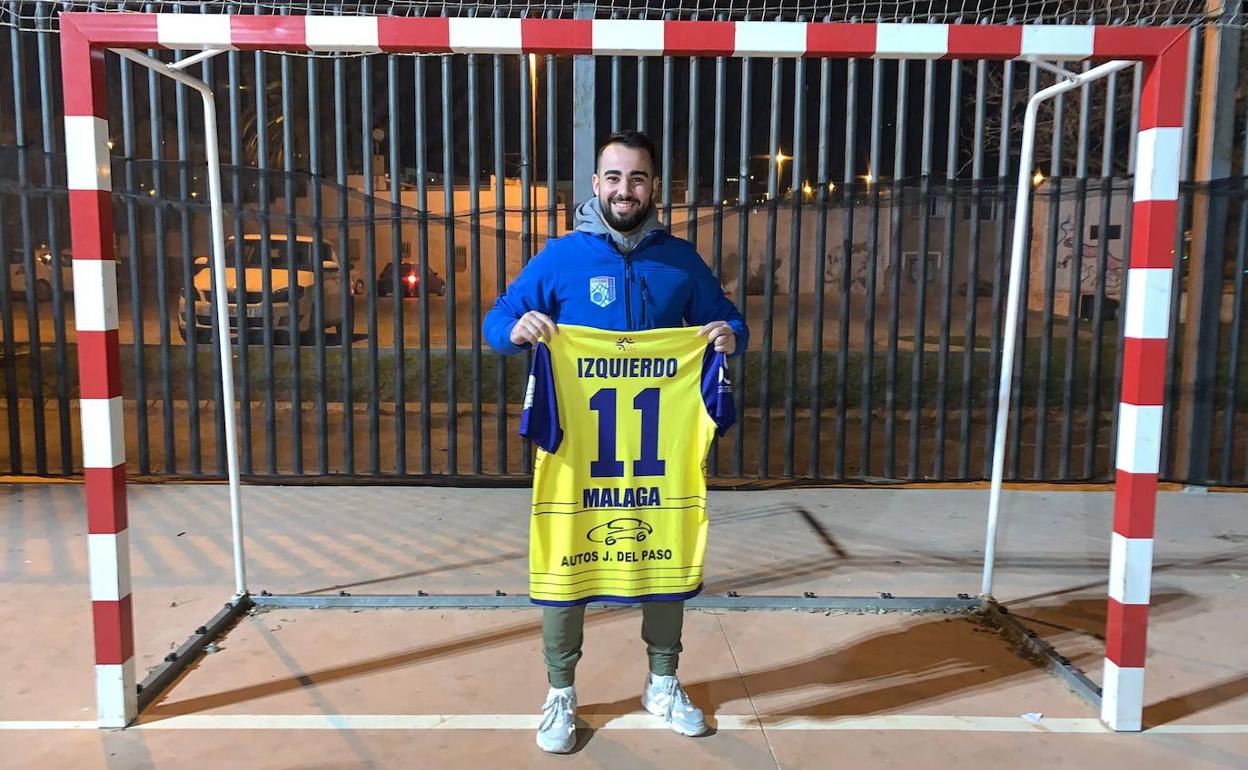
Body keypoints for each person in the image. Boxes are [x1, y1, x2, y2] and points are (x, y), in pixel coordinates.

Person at [484, 129, 749, 753]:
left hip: (657, 454)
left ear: (655, 187)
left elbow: (727, 316)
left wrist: (727, 335)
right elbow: (499, 318)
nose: (624, 189)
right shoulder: (561, 257)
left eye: (637, 178)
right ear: (595, 185)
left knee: (664, 555)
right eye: (613, 177)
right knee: (567, 559)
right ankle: (560, 694)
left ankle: (662, 681)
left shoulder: (681, 260)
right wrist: (517, 328)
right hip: (581, 449)